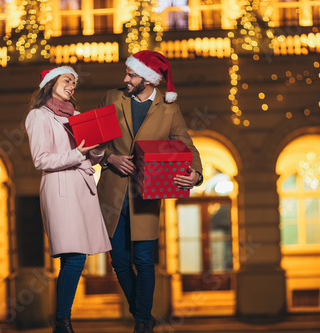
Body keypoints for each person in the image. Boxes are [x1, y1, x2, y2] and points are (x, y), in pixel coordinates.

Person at [97, 51, 203, 333]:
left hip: (146, 194)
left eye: (131, 75)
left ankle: (142, 321)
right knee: (119, 260)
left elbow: (186, 145)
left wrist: (197, 173)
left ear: (148, 79)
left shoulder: (169, 109)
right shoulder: (112, 98)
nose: (125, 79)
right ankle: (143, 314)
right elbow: (94, 144)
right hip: (112, 193)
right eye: (127, 73)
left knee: (143, 260)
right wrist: (110, 158)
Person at [25, 66, 112, 333]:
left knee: (76, 257)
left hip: (82, 187)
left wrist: (97, 148)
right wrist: (78, 153)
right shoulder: (38, 116)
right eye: (67, 80)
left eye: (74, 82)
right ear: (51, 83)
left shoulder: (78, 116)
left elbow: (92, 155)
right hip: (61, 189)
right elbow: (41, 159)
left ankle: (62, 321)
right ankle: (62, 321)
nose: (72, 86)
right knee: (73, 256)